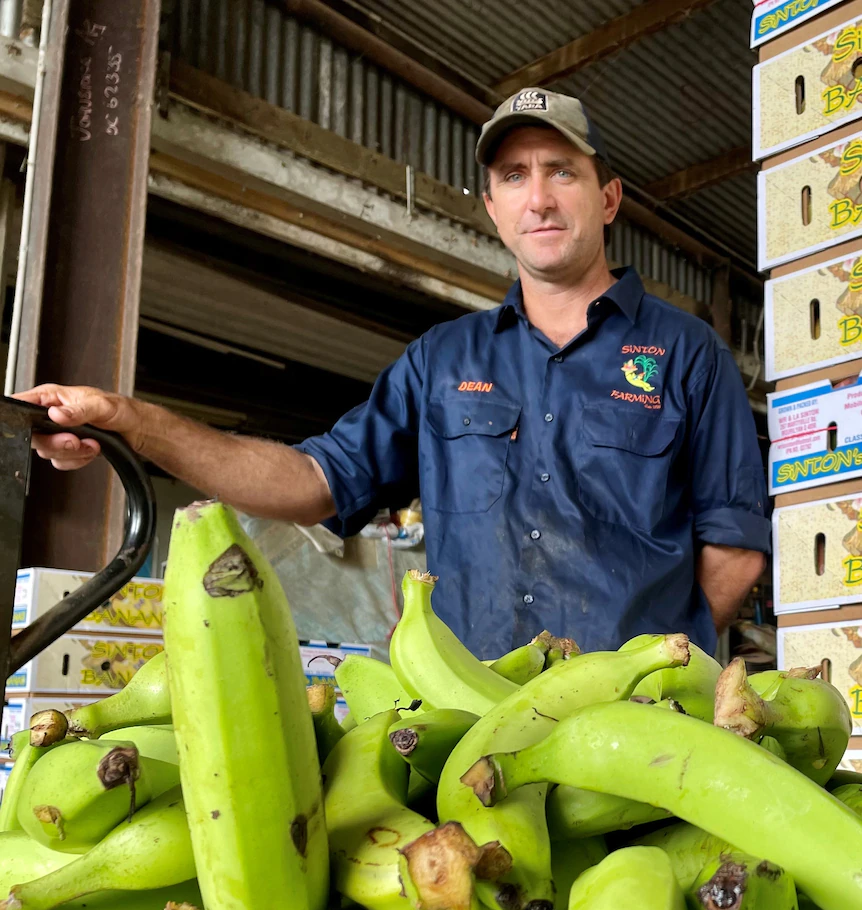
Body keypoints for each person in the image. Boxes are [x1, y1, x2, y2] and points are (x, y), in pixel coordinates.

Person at [18, 88, 768, 659]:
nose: (538, 197)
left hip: (637, 733)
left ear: (607, 199)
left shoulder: (688, 354)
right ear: (492, 208)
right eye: (514, 176)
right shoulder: (444, 360)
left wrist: (646, 667)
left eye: (561, 171)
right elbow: (311, 482)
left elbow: (733, 552)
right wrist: (132, 421)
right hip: (467, 729)